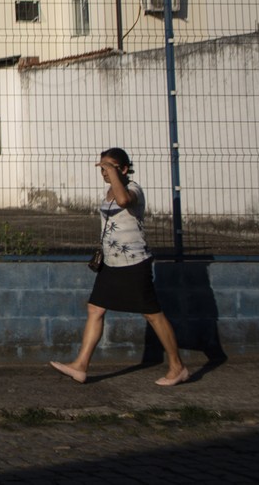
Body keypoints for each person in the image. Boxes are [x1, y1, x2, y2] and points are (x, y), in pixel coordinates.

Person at [50, 148, 188, 386]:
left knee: (152, 314)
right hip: (111, 264)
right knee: (95, 309)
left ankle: (178, 367)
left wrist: (114, 174)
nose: (104, 172)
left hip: (134, 263)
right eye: (102, 167)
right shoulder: (108, 191)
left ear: (124, 169)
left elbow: (124, 201)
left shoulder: (133, 190)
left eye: (110, 167)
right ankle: (80, 366)